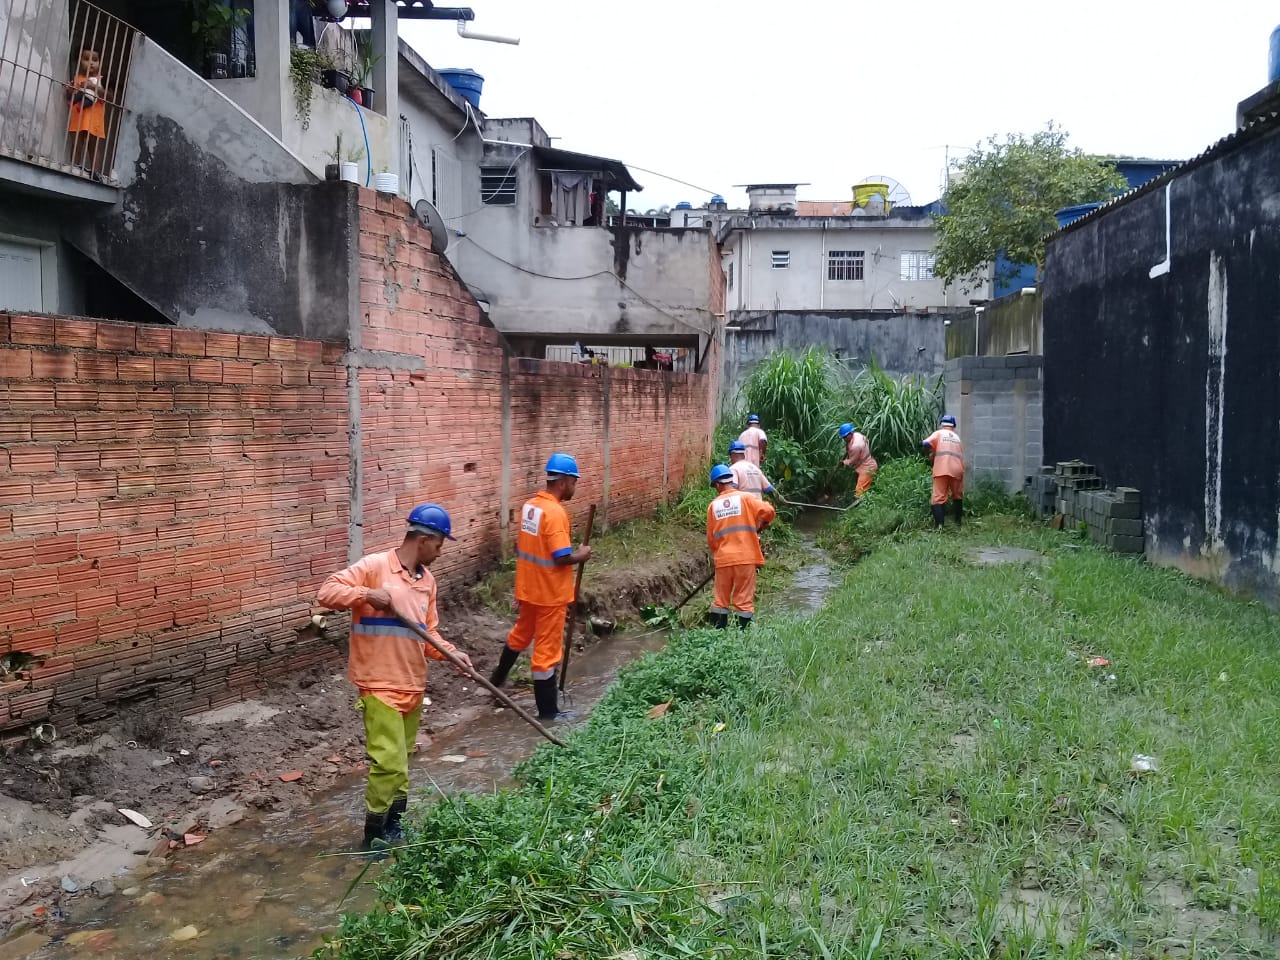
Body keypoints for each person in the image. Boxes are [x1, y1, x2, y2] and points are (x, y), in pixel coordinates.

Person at [317, 504, 474, 850]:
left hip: (413, 685)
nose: (441, 550)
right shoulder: (375, 568)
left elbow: (428, 635)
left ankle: (395, 827)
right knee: (387, 763)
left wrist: (452, 653)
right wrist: (367, 595)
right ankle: (372, 836)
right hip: (379, 684)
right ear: (423, 539)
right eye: (439, 543)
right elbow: (327, 591)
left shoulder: (427, 582)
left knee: (402, 762)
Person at [488, 453, 592, 722]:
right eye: (574, 481)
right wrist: (582, 553)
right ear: (564, 481)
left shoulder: (530, 507)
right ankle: (549, 713)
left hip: (529, 589)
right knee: (546, 653)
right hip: (549, 594)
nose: (574, 487)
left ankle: (496, 680)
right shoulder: (555, 513)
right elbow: (561, 556)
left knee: (520, 635)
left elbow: (524, 548)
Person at [706, 463, 776, 630]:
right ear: (730, 480)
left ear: (717, 484)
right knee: (743, 600)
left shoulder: (713, 506)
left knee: (720, 600)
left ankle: (718, 634)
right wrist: (764, 522)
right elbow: (769, 511)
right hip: (745, 557)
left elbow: (711, 539)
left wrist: (720, 554)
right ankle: (742, 635)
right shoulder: (745, 498)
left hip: (723, 559)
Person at [66, 47, 108, 179]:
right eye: (86, 59)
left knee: (94, 147)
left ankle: (95, 173)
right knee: (76, 143)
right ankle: (74, 167)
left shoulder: (101, 80)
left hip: (94, 119)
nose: (91, 63)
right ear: (79, 62)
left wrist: (92, 87)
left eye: (95, 60)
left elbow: (109, 97)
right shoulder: (77, 78)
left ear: (100, 62)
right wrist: (69, 89)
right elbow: (70, 96)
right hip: (78, 117)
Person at [922, 414, 965, 527]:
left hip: (942, 468)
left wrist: (930, 455)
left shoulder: (939, 433)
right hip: (957, 469)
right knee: (957, 495)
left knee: (938, 497)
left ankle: (939, 526)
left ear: (942, 424)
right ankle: (958, 522)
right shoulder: (957, 438)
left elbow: (925, 443)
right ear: (953, 426)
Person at [839, 423, 878, 500]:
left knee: (859, 492)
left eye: (845, 437)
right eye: (843, 437)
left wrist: (843, 462)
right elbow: (866, 440)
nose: (844, 439)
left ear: (850, 434)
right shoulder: (857, 435)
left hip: (867, 469)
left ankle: (859, 507)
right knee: (865, 487)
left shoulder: (855, 446)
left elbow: (852, 462)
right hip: (868, 462)